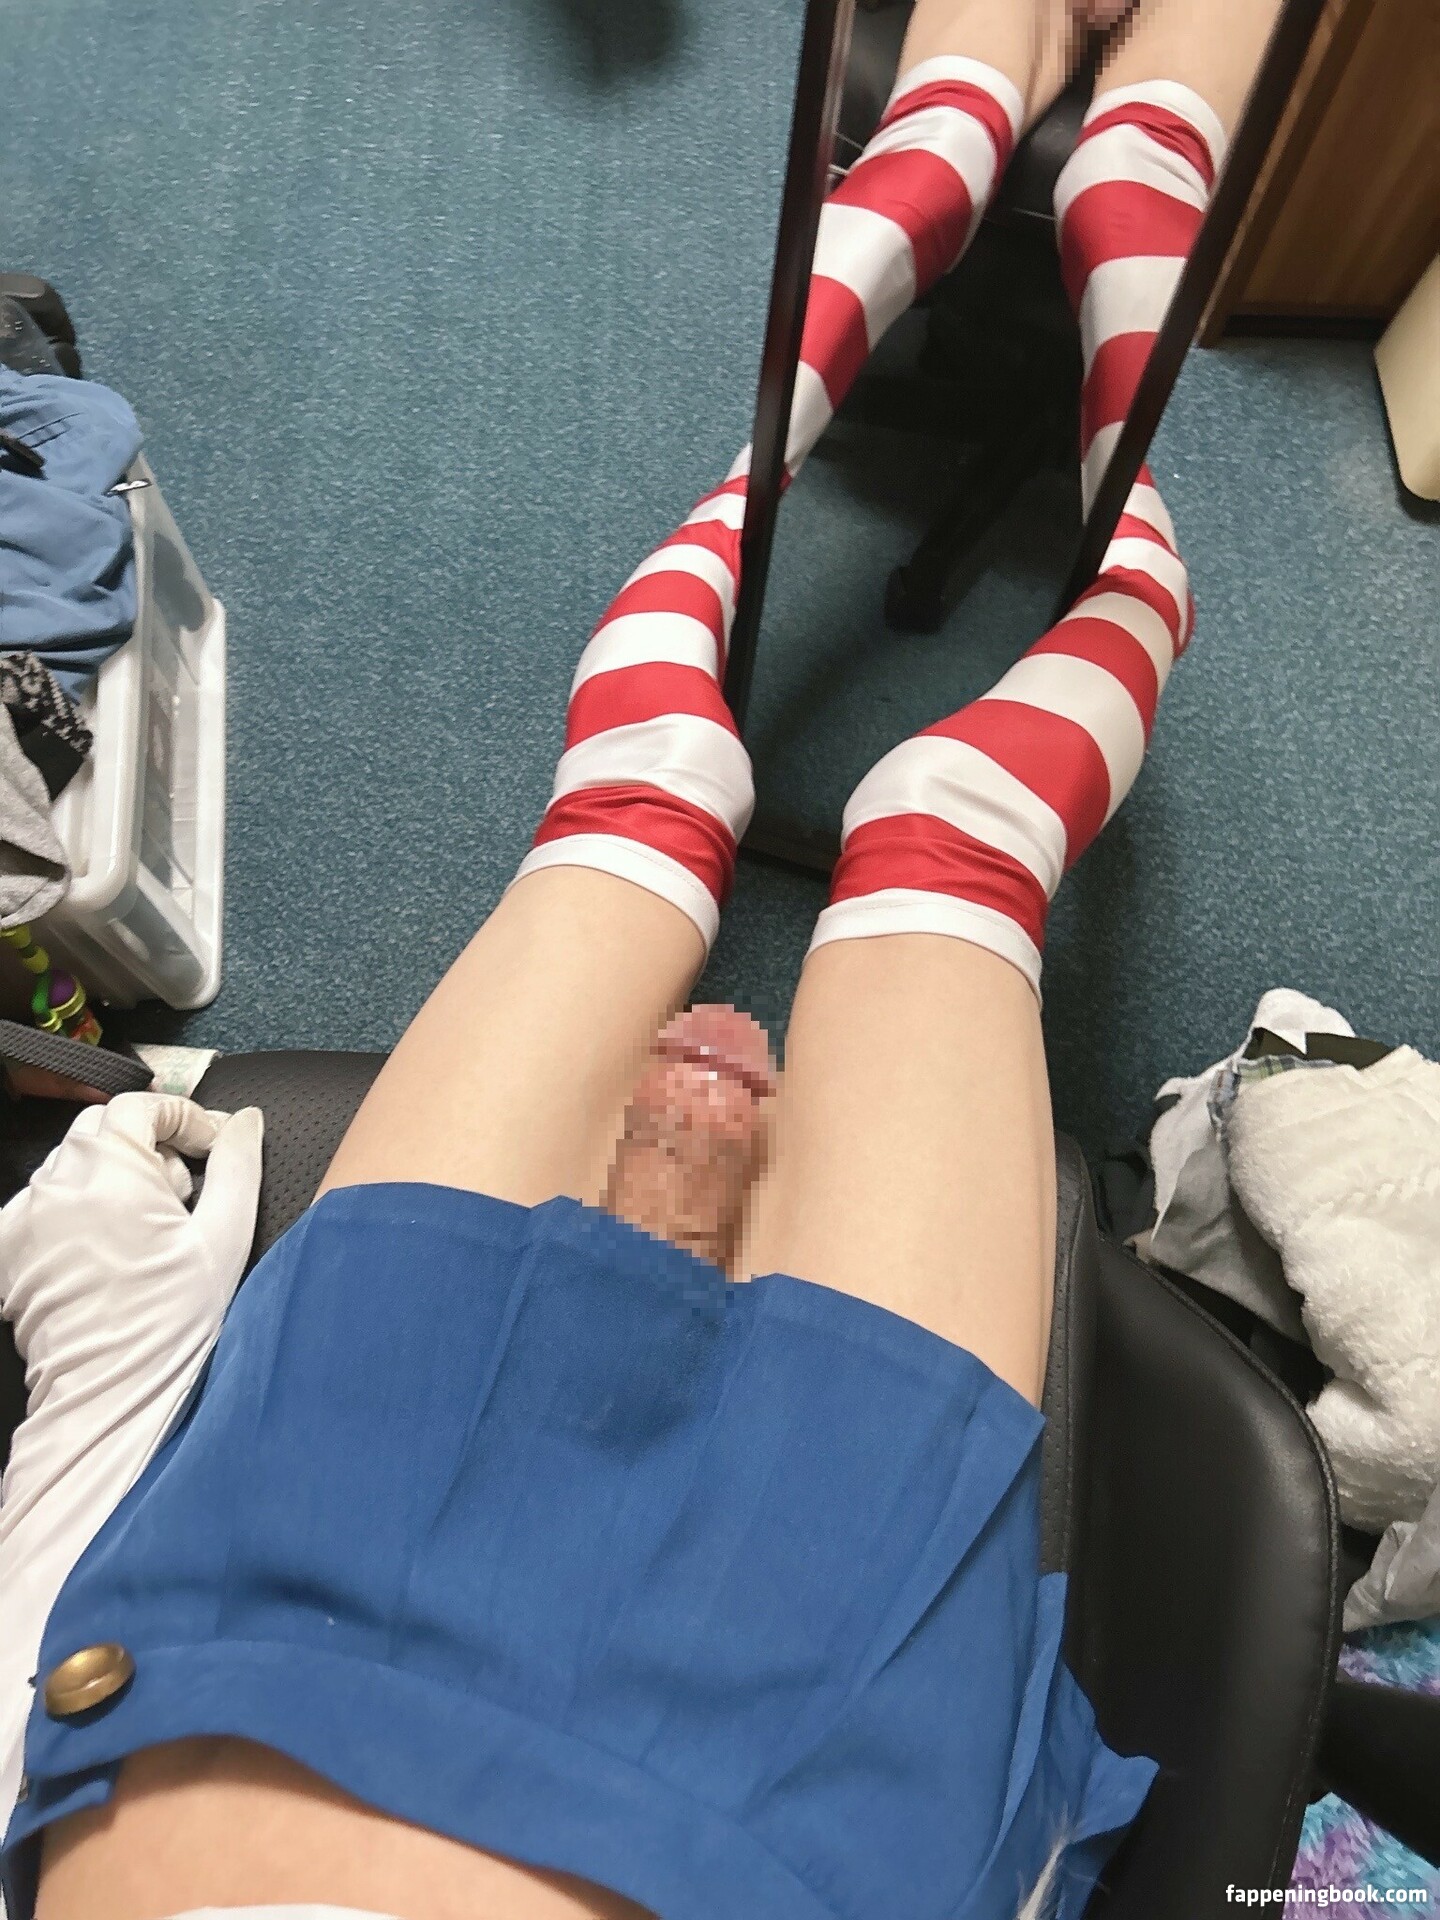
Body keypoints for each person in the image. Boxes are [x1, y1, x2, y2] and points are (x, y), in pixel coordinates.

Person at [1, 2, 1285, 1916]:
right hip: (797, 1810)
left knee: (645, 790)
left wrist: (95, 1413)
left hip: (246, 1647)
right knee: (950, 826)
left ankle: (950, 130)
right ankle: (1124, 167)